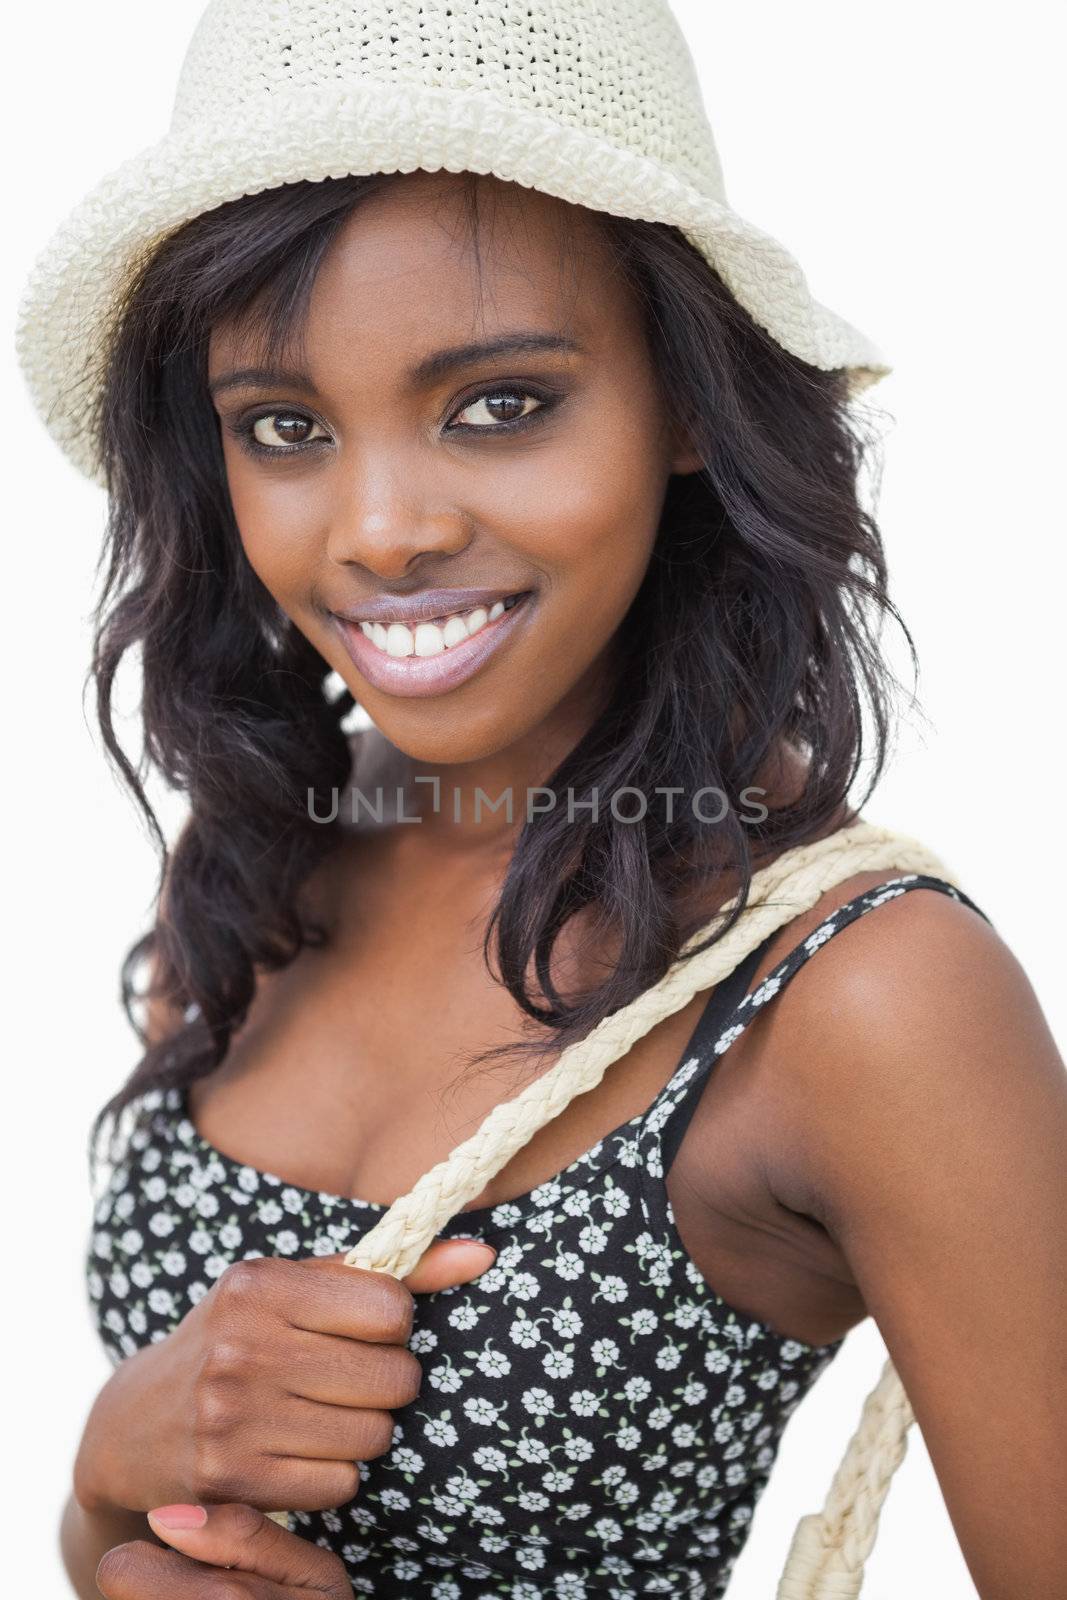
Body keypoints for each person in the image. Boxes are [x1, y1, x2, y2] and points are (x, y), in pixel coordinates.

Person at [15, 2, 1065, 1597]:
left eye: (498, 402)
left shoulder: (866, 999)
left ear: (694, 399)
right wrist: (104, 1500)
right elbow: (158, 1535)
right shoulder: (265, 854)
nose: (378, 530)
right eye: (283, 428)